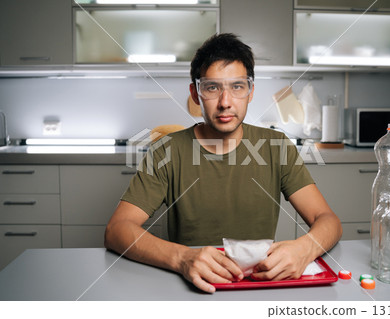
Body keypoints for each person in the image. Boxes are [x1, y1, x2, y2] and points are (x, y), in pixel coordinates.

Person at [104, 33, 342, 294]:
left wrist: (303, 250)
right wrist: (182, 258)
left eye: (237, 87)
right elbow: (117, 230)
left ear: (250, 92)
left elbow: (328, 220)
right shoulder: (167, 151)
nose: (226, 102)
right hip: (192, 288)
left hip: (261, 289)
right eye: (212, 87)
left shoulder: (277, 145)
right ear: (196, 94)